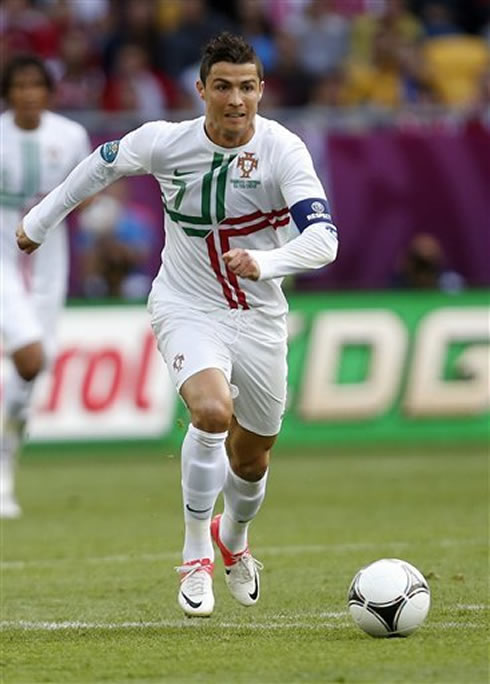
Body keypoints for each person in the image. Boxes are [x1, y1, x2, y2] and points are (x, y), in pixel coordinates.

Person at [16, 33, 339, 616]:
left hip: (260, 315)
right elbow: (101, 165)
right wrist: (39, 221)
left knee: (254, 457)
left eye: (247, 87)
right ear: (202, 90)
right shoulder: (166, 143)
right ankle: (195, 557)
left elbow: (324, 239)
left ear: (262, 90)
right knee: (212, 413)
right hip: (186, 305)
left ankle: (232, 539)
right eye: (223, 87)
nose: (236, 100)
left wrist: (266, 262)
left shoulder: (284, 152)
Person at [0, 55, 91, 518]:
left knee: (33, 368)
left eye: (37, 84)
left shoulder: (70, 136)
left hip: (50, 266)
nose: (28, 93)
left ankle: (5, 460)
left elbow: (88, 188)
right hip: (2, 261)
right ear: (8, 92)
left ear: (49, 92)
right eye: (20, 85)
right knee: (30, 354)